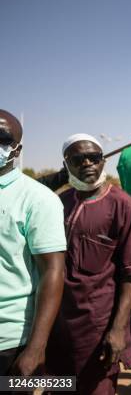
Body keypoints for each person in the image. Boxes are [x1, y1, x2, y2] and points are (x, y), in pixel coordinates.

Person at [45, 134, 131, 395]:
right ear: (66, 163)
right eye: (79, 159)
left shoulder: (124, 206)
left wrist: (118, 330)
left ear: (103, 161)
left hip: (97, 329)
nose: (89, 163)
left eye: (95, 157)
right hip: (58, 329)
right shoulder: (57, 204)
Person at [0, 110, 66, 378]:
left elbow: (53, 271)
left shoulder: (37, 199)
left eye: (2, 138)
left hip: (10, 343)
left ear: (17, 149)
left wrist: (36, 348)